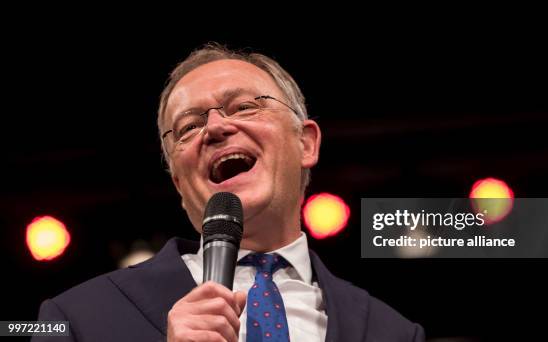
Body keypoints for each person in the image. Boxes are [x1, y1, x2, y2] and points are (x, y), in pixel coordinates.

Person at [35, 43, 425, 342]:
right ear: (178, 183)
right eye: (188, 127)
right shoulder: (75, 317)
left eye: (243, 107)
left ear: (306, 144)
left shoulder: (392, 331)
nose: (216, 128)